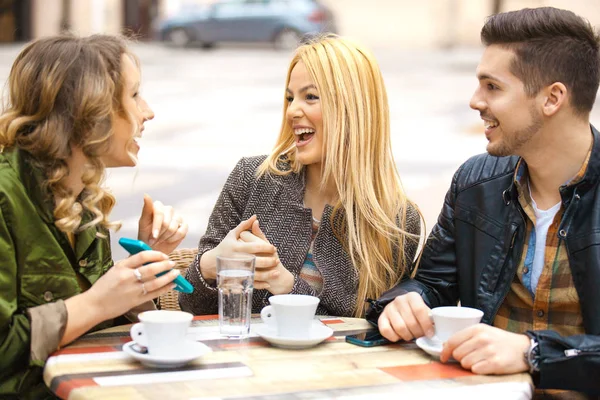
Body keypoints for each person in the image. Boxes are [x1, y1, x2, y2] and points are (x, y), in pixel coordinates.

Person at [366, 7, 600, 396]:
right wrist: (406, 302)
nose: (475, 101)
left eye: (492, 87)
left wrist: (535, 353)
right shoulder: (475, 183)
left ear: (552, 98)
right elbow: (432, 284)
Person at [0, 35, 189, 399]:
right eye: (134, 95)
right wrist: (98, 301)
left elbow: (98, 331)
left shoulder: (84, 198)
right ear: (89, 111)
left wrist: (141, 271)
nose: (147, 111)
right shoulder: (5, 196)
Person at [180, 35, 422, 318]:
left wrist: (286, 286)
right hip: (244, 359)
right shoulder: (251, 178)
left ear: (353, 109)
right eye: (290, 97)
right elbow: (191, 306)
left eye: (310, 97)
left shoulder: (396, 220)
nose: (292, 110)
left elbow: (368, 327)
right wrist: (212, 264)